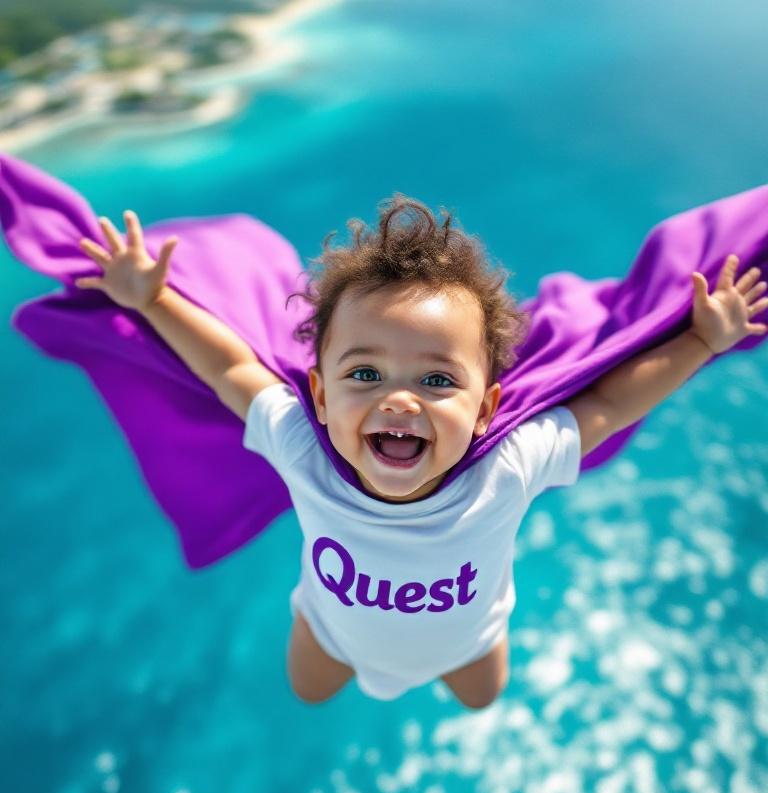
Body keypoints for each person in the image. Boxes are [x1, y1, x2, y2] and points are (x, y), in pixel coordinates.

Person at [70, 201, 768, 708]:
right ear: (318, 393)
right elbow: (228, 368)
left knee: (480, 699)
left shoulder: (512, 460)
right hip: (332, 633)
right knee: (307, 693)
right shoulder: (298, 441)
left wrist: (701, 341)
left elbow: (611, 405)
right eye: (364, 374)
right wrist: (154, 299)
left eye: (437, 380)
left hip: (468, 643)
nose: (399, 401)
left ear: (487, 407)